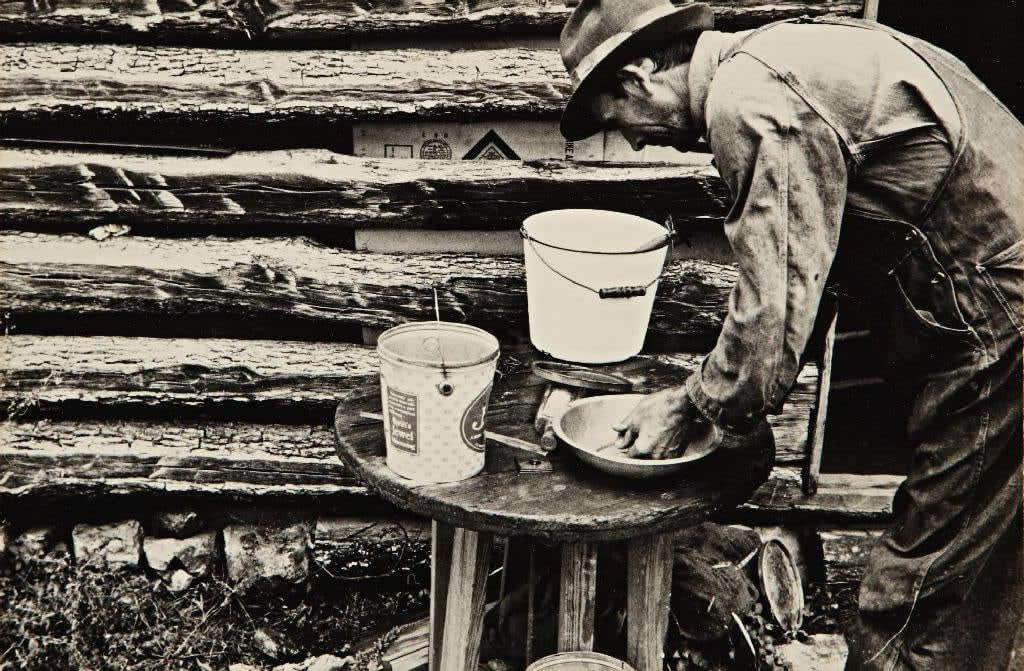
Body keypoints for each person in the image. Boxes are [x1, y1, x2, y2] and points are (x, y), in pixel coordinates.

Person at [557, 1, 1024, 669]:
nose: (631, 140)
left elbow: (772, 312)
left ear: (639, 76)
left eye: (617, 119)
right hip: (994, 292)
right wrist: (732, 392)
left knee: (920, 592)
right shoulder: (778, 52)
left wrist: (694, 403)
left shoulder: (748, 102)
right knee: (974, 568)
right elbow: (816, 271)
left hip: (1001, 308)